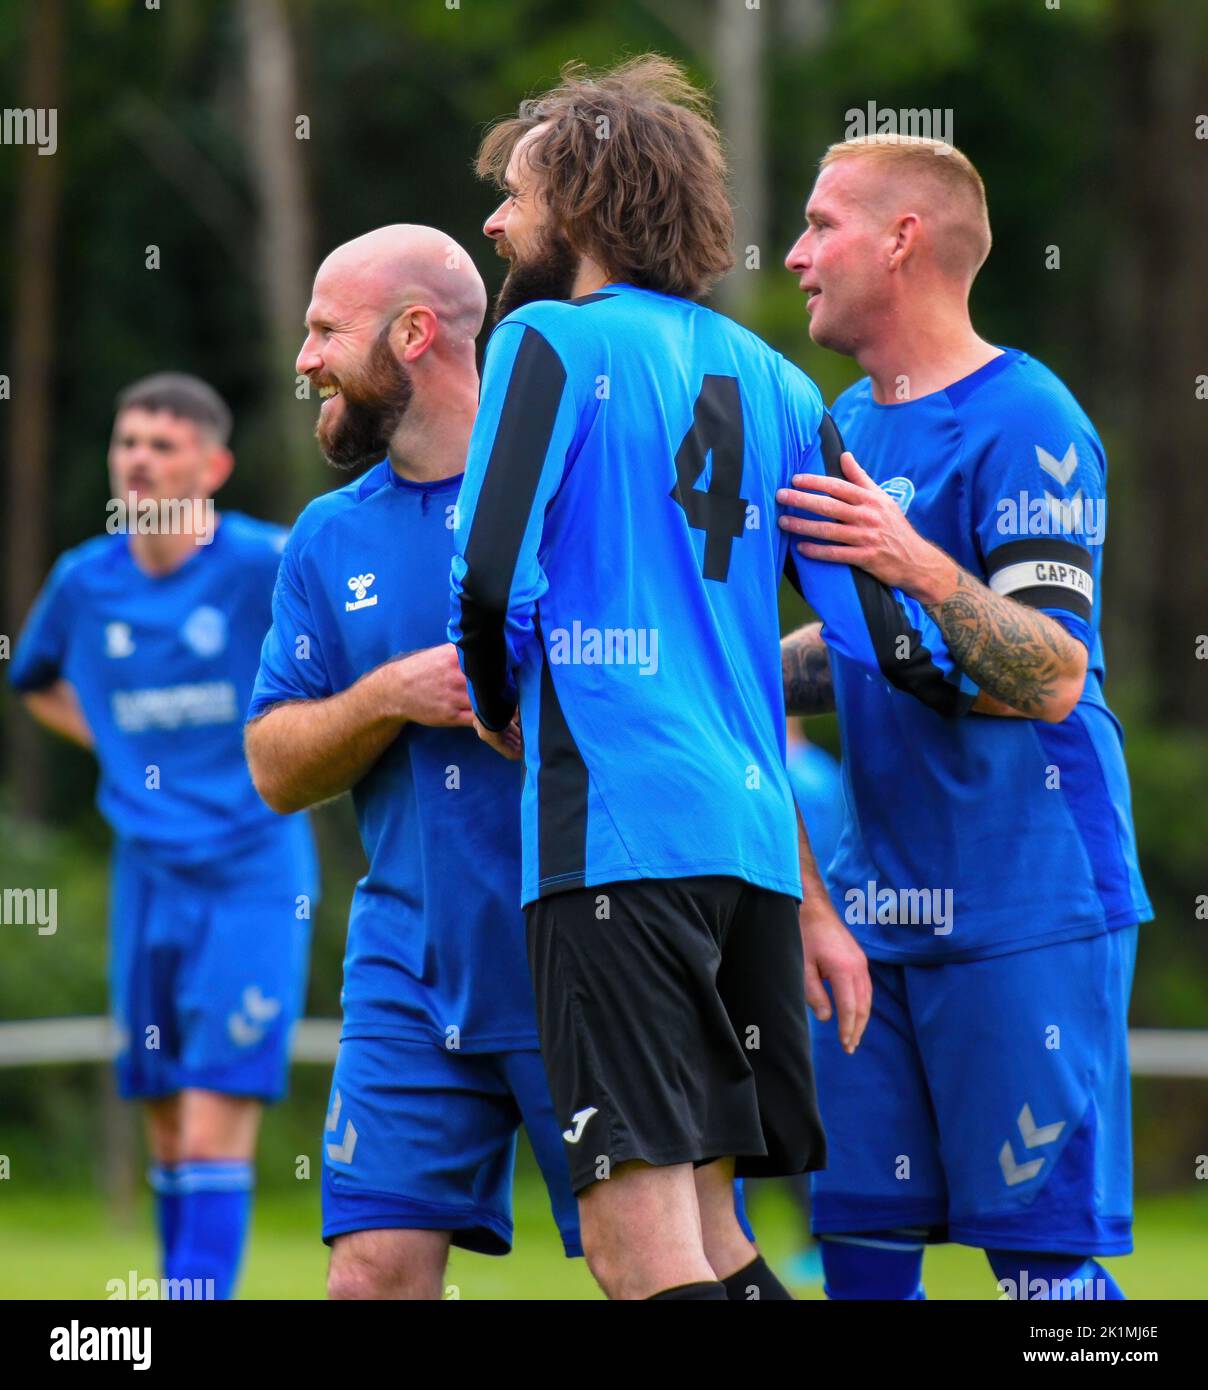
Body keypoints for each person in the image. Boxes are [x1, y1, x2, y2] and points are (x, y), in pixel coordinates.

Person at [448, 57, 972, 1302]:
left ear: (574, 205)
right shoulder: (782, 382)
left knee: (640, 1259)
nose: (493, 225)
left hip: (614, 839)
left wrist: (496, 695)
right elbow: (894, 637)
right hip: (742, 851)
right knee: (717, 1240)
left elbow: (483, 578)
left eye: (513, 197)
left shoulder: (544, 339)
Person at [778, 134, 1151, 1300]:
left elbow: (1045, 672)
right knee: (859, 1251)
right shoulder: (840, 419)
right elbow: (856, 645)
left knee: (1038, 1264)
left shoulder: (1026, 416)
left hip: (1027, 894)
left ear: (902, 241)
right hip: (872, 909)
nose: (792, 256)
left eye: (820, 224)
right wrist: (709, 664)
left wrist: (914, 562)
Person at [243, 225, 582, 1300]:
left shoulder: (570, 492)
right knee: (369, 1280)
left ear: (415, 332)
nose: (305, 360)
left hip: (586, 949)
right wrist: (389, 694)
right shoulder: (325, 536)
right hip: (409, 964)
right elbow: (274, 766)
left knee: (655, 1266)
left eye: (324, 331)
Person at [9, 373, 317, 1300]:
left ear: (213, 467)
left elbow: (349, 642)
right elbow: (33, 678)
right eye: (128, 441)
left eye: (163, 444)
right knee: (164, 1117)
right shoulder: (83, 580)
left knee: (215, 1104)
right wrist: (117, 740)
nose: (139, 459)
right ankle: (180, 1291)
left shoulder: (266, 564)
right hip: (147, 869)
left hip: (253, 870)